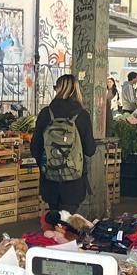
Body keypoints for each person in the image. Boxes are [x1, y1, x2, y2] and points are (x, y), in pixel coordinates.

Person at [30, 74, 97, 216]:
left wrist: (48, 163)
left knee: (55, 219)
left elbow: (35, 147)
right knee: (66, 222)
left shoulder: (46, 113)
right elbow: (90, 150)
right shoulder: (82, 115)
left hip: (50, 180)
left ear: (57, 89)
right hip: (73, 182)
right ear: (76, 90)